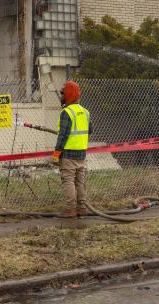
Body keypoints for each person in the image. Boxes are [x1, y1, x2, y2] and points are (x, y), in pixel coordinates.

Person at [51, 80, 92, 217]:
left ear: (68, 94)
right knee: (80, 182)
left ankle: (70, 209)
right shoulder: (85, 112)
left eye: (63, 93)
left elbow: (63, 136)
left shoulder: (66, 112)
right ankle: (82, 207)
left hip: (68, 155)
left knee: (68, 181)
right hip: (82, 154)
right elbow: (90, 130)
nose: (61, 96)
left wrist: (56, 154)